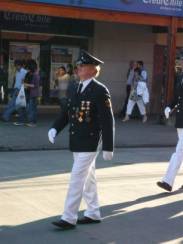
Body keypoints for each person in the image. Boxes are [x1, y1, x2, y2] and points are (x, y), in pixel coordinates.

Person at [48, 50, 114, 230]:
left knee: (76, 178)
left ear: (93, 70)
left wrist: (108, 146)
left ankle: (69, 217)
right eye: (78, 66)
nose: (78, 68)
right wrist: (55, 128)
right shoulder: (75, 87)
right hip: (77, 140)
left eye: (82, 66)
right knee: (88, 178)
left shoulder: (100, 90)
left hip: (90, 142)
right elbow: (67, 113)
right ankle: (93, 213)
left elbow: (107, 121)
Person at [157, 69, 183, 192]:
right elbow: (178, 97)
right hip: (181, 121)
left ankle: (168, 181)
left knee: (179, 151)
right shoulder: (181, 77)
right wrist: (169, 106)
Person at [14, 59, 40, 127]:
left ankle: (32, 122)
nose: (26, 69)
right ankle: (24, 121)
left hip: (33, 94)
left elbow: (35, 85)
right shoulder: (29, 74)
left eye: (27, 68)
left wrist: (25, 84)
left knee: (32, 109)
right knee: (25, 107)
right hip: (27, 93)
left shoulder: (35, 75)